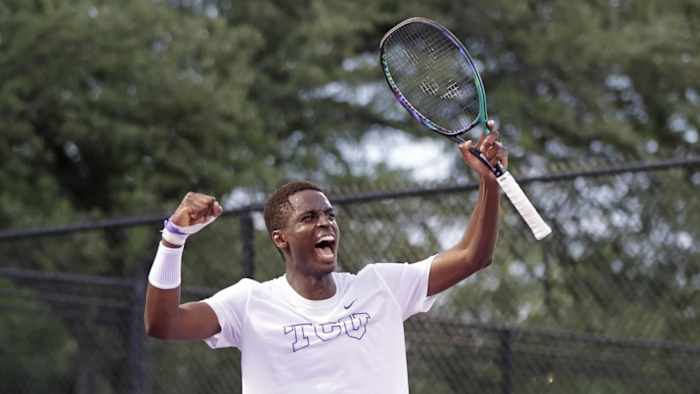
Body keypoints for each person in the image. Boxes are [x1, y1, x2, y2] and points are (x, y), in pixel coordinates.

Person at [144, 121, 506, 394]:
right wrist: (173, 238)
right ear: (280, 239)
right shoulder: (249, 303)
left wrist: (490, 183)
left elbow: (473, 255)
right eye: (309, 218)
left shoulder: (380, 286)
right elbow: (163, 323)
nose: (325, 224)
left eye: (330, 215)